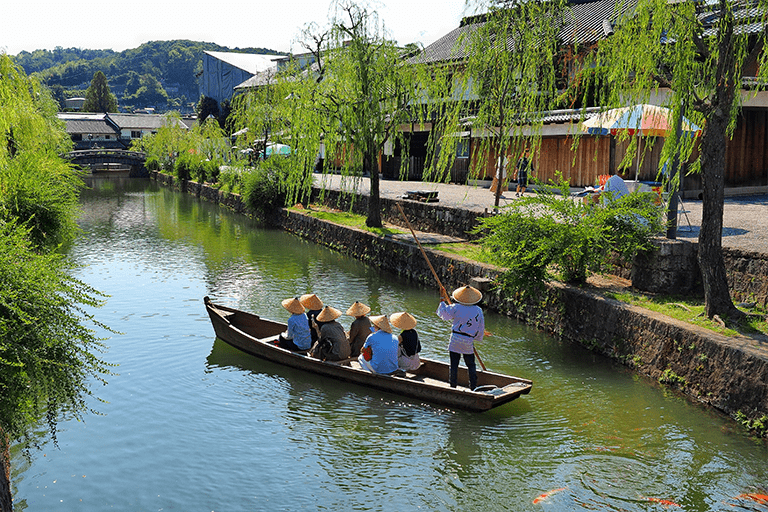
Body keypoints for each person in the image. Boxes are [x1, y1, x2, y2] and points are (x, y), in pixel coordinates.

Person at [436, 285, 485, 390]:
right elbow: (481, 328)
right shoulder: (478, 310)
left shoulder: (456, 307)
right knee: (471, 365)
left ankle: (452, 386)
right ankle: (473, 386)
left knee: (454, 364)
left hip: (455, 338)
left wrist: (442, 299)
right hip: (468, 340)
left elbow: (444, 314)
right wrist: (476, 338)